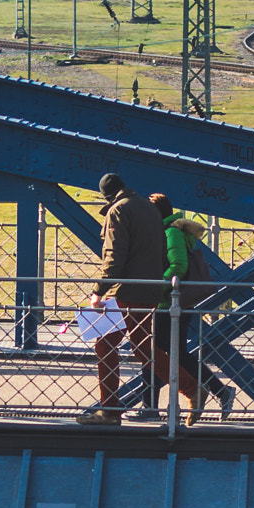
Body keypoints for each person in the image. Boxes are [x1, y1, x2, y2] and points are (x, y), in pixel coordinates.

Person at [82, 171, 168, 421]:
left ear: (106, 195)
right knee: (144, 349)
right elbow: (162, 255)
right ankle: (193, 386)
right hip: (150, 290)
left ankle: (109, 410)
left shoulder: (118, 210)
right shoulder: (149, 208)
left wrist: (98, 291)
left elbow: (114, 256)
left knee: (105, 344)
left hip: (127, 291)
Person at [149, 192, 234, 423]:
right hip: (172, 303)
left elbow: (178, 266)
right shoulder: (170, 231)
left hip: (169, 303)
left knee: (155, 352)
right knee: (168, 353)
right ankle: (219, 391)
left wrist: (157, 288)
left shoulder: (171, 232)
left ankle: (151, 407)